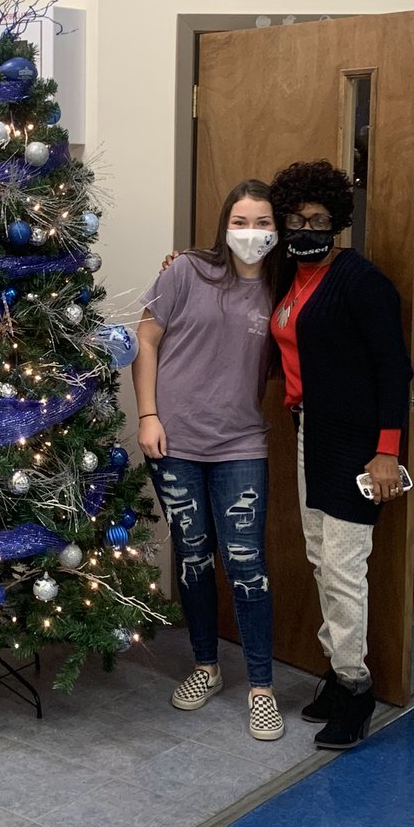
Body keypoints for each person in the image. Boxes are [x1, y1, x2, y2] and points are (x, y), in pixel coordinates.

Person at [132, 180, 285, 741]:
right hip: (174, 441)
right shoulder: (186, 271)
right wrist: (148, 415)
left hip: (243, 443)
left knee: (247, 562)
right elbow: (146, 339)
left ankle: (262, 688)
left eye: (263, 222)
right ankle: (206, 667)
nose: (251, 233)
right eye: (241, 222)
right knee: (193, 557)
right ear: (224, 225)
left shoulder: (281, 286)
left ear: (278, 230)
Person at [268, 160, 412, 750]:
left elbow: (393, 371)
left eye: (319, 220)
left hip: (358, 446)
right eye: (297, 220)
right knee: (320, 555)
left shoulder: (360, 281)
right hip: (311, 435)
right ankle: (336, 668)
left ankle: (357, 688)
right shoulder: (289, 276)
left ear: (339, 223)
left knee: (346, 567)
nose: (307, 229)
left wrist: (386, 453)